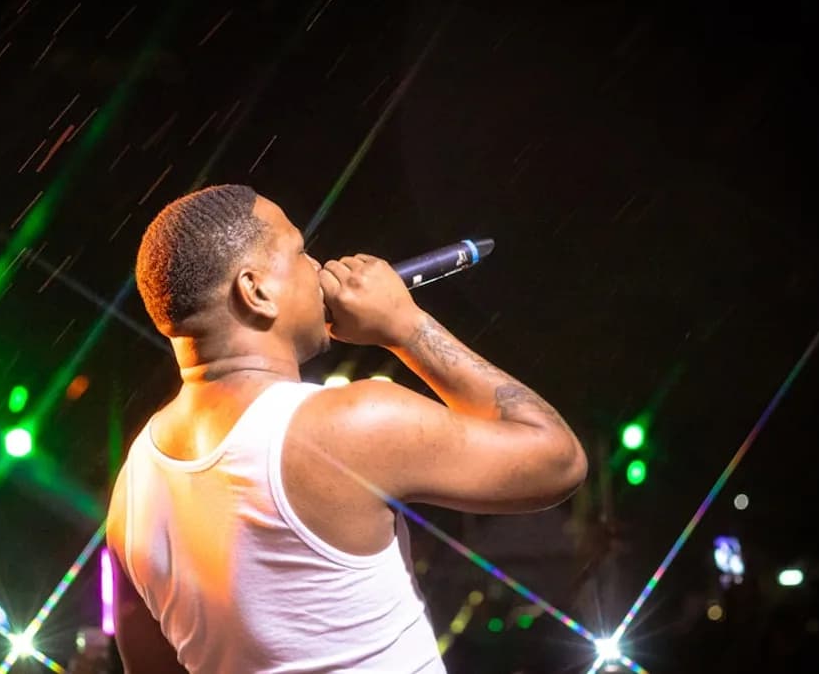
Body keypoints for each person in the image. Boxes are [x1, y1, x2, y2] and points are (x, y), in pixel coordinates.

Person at [106, 184, 588, 673]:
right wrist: (405, 325)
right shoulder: (347, 422)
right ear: (256, 291)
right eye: (300, 253)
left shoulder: (131, 494)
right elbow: (559, 460)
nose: (320, 269)